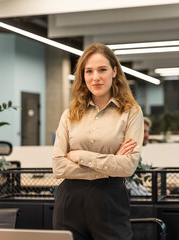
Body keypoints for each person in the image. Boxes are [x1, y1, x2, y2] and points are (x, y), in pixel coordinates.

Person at [52, 43, 144, 240]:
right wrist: (111, 162)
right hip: (69, 200)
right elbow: (59, 166)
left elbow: (127, 167)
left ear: (114, 72)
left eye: (102, 70)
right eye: (89, 71)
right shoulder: (70, 114)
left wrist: (80, 156)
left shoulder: (131, 112)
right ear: (82, 76)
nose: (95, 77)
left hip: (109, 200)